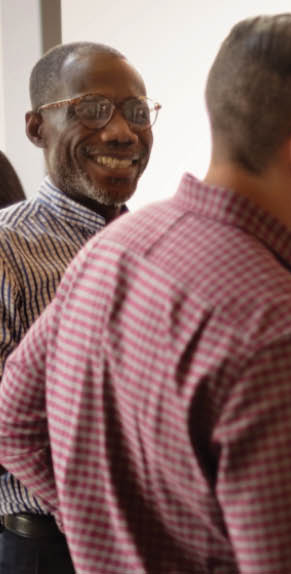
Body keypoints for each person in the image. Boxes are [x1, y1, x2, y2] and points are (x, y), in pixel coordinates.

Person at [0, 14, 291, 572]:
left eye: (135, 112)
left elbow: (15, 418)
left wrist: (110, 527)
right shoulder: (288, 329)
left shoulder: (115, 245)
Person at [0, 41, 155, 573]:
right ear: (37, 128)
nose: (120, 131)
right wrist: (88, 509)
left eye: (137, 112)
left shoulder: (157, 249)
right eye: (91, 109)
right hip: (49, 551)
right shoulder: (6, 249)